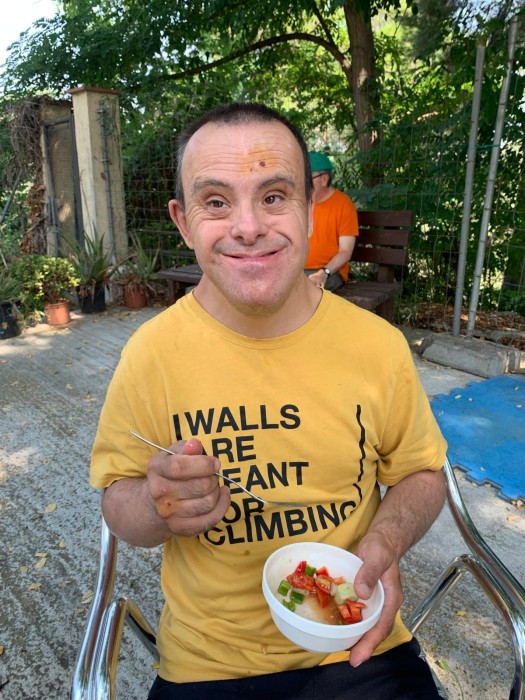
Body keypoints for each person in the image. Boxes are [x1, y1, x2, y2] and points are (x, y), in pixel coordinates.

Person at [90, 102, 448, 700]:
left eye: (274, 196)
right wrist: (157, 505)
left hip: (358, 639)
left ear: (309, 209)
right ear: (183, 222)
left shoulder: (377, 346)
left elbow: (422, 472)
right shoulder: (150, 355)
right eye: (215, 202)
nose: (248, 226)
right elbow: (118, 503)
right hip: (207, 663)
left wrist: (386, 541)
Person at [304, 151, 358, 292]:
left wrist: (324, 273)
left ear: (324, 179)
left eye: (307, 178)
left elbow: (345, 252)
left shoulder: (343, 205)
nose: (303, 184)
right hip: (298, 271)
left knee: (303, 291)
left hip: (330, 272)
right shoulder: (300, 203)